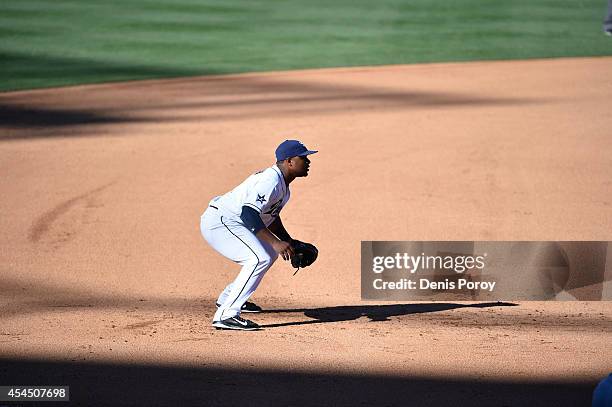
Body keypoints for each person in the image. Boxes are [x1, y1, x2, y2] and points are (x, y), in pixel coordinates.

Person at [200, 140, 317, 330]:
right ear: (289, 161)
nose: (308, 161)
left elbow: (269, 216)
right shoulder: (270, 181)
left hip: (233, 221)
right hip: (220, 222)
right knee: (258, 258)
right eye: (303, 158)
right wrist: (276, 243)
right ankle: (226, 315)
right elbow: (249, 214)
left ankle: (228, 298)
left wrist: (287, 241)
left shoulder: (283, 186)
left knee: (268, 255)